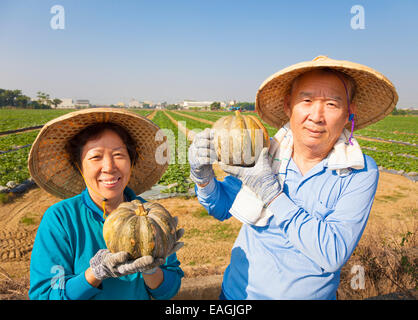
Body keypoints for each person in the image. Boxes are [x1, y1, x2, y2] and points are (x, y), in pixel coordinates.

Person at [188, 56, 398, 299]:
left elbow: (333, 253)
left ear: (349, 113)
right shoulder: (265, 150)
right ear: (289, 106)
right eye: (306, 100)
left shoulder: (359, 171)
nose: (316, 116)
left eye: (331, 104)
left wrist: (272, 194)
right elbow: (222, 207)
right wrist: (203, 177)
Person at [28, 108, 184, 300]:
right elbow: (45, 295)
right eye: (95, 157)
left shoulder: (153, 218)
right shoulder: (61, 219)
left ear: (131, 162)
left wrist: (151, 271)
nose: (109, 167)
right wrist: (95, 274)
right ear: (79, 166)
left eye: (119, 155)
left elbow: (170, 290)